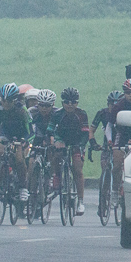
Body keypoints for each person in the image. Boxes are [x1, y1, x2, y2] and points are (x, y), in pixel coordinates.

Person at [0, 83, 33, 202]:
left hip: (21, 133)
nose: (6, 103)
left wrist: (25, 140)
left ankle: (23, 187)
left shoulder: (21, 109)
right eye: (3, 100)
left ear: (15, 100)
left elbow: (29, 128)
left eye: (9, 101)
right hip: (5, 132)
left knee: (19, 159)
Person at [48, 87, 90, 215]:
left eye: (73, 102)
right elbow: (50, 130)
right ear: (62, 103)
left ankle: (81, 201)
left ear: (77, 103)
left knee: (77, 169)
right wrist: (56, 141)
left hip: (77, 141)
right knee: (56, 154)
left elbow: (85, 134)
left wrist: (81, 145)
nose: (70, 105)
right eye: (67, 102)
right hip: (62, 139)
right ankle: (56, 176)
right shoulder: (57, 114)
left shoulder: (82, 114)